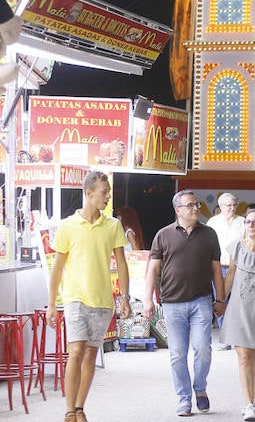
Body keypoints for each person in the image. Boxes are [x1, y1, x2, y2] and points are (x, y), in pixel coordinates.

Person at [47, 171, 131, 422]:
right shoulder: (67, 226)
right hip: (75, 299)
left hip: (103, 301)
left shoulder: (113, 225)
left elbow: (122, 262)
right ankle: (69, 410)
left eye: (108, 192)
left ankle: (80, 408)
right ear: (89, 192)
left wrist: (125, 297)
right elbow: (57, 267)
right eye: (104, 192)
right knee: (76, 351)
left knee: (91, 355)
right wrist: (52, 303)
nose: (107, 196)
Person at [144, 190, 226, 416]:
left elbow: (216, 271)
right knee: (178, 354)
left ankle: (200, 388)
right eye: (190, 205)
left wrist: (220, 299)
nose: (196, 208)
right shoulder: (163, 235)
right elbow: (153, 269)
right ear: (178, 210)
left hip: (201, 301)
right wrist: (147, 300)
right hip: (172, 304)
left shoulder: (209, 234)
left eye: (197, 204)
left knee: (203, 349)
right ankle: (184, 399)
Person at [221, 206, 255, 421]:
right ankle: (247, 404)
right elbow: (231, 274)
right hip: (239, 309)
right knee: (243, 356)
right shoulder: (236, 247)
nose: (250, 226)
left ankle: (254, 399)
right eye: (247, 222)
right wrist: (220, 300)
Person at [207, 192, 245, 348]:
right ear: (221, 206)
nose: (232, 208)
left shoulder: (243, 222)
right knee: (220, 301)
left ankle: (238, 335)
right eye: (229, 205)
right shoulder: (213, 222)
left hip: (238, 268)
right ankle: (225, 337)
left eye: (234, 205)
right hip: (218, 267)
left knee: (238, 302)